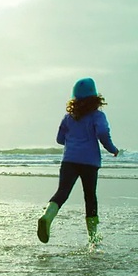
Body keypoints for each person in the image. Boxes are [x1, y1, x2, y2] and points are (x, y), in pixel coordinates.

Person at [38, 78, 119, 244]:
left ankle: (47, 217)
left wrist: (74, 139)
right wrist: (112, 149)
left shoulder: (68, 118)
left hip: (69, 161)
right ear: (95, 98)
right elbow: (102, 133)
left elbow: (60, 139)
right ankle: (93, 237)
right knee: (90, 196)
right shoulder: (98, 116)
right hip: (89, 162)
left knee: (62, 192)